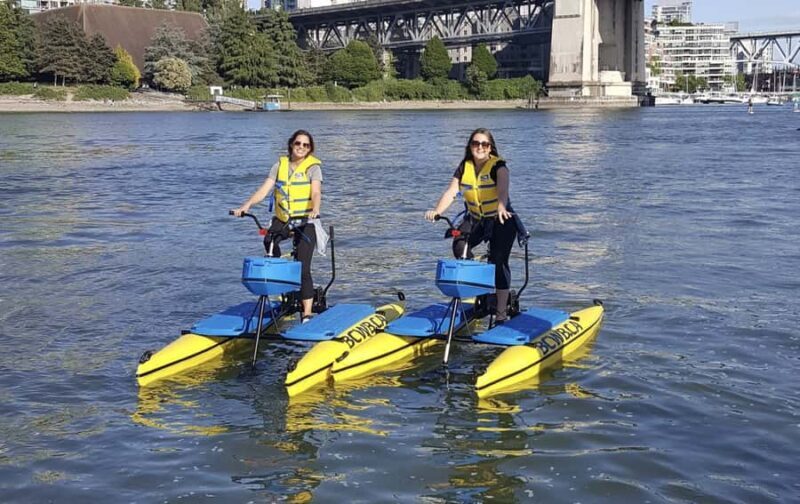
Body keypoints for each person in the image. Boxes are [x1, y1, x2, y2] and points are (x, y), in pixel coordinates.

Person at [425, 128, 517, 323]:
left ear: (491, 148)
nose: (480, 147)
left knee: (499, 262)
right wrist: (437, 211)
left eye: (485, 144)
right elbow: (451, 192)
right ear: (470, 146)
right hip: (476, 219)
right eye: (476, 143)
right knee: (459, 244)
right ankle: (479, 289)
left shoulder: (499, 167)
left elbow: (503, 191)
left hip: (501, 218)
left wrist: (501, 206)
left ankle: (501, 312)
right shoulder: (463, 167)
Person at [232, 130, 322, 322]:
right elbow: (264, 190)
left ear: (310, 149)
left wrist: (315, 208)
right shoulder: (279, 166)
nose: (301, 148)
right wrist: (245, 206)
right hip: (283, 219)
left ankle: (306, 313)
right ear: (291, 144)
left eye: (306, 145)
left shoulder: (313, 168)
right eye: (298, 143)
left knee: (303, 268)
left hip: (305, 220)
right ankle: (282, 280)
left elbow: (316, 192)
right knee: (269, 240)